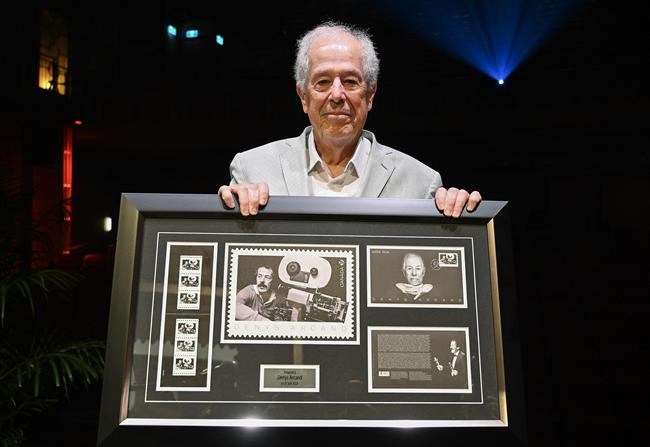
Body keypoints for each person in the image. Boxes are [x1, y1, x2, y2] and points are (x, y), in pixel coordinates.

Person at [218, 21, 481, 216]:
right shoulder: (252, 168)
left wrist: (460, 215)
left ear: (370, 95)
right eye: (322, 82)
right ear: (303, 96)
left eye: (350, 81)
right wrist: (226, 213)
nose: (336, 95)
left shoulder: (421, 182)